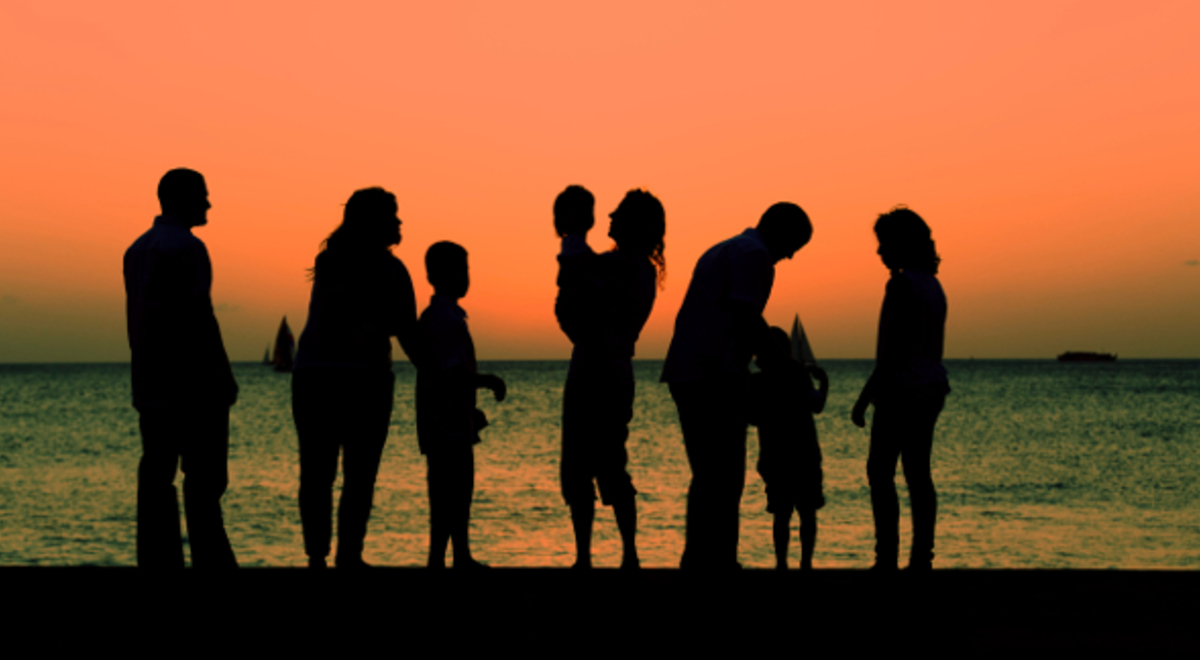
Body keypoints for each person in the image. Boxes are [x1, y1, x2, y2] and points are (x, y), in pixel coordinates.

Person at [661, 202, 812, 570]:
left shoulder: (728, 249)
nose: (790, 256)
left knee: (708, 474)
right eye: (794, 245)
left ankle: (699, 556)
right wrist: (783, 363)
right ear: (781, 232)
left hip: (688, 371)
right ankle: (720, 559)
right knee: (726, 475)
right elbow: (745, 318)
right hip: (711, 375)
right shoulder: (755, 255)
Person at [291, 187, 420, 569]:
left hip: (314, 375)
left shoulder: (329, 261)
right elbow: (408, 332)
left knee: (317, 472)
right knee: (358, 474)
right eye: (392, 215)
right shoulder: (390, 269)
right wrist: (444, 375)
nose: (399, 222)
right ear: (376, 221)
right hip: (363, 378)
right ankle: (348, 556)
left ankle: (318, 557)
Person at [123, 167, 239, 568]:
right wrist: (222, 373)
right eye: (202, 195)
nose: (208, 203)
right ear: (183, 198)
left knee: (157, 473)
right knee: (205, 479)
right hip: (193, 381)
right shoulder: (189, 248)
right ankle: (212, 559)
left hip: (151, 380)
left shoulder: (136, 250)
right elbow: (199, 315)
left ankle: (158, 559)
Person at [555, 187, 665, 570]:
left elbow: (577, 273)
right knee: (589, 465)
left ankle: (619, 555)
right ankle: (599, 555)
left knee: (603, 464)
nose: (610, 219)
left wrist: (572, 231)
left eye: (618, 214)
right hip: (599, 368)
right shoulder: (623, 266)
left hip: (601, 372)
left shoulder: (632, 267)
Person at [851, 206, 949, 571]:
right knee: (918, 473)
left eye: (884, 244)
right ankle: (921, 555)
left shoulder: (902, 284)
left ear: (901, 244)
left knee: (880, 471)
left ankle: (886, 558)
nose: (879, 252)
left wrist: (865, 397)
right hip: (931, 385)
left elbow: (896, 350)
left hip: (903, 389)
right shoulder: (932, 285)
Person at [417, 241, 506, 569]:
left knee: (449, 488)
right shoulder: (445, 320)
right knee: (453, 488)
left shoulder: (439, 316)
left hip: (447, 416)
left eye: (465, 269)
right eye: (460, 270)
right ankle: (450, 557)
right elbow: (451, 373)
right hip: (445, 420)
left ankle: (451, 556)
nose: (465, 276)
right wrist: (488, 381)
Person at [748, 327, 828, 571]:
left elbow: (752, 417)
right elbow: (816, 405)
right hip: (804, 454)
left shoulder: (758, 381)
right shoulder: (798, 374)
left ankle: (781, 563)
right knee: (807, 512)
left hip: (774, 456)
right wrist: (823, 381)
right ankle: (806, 564)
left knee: (780, 515)